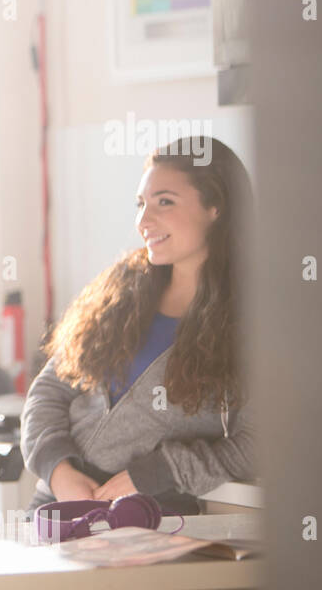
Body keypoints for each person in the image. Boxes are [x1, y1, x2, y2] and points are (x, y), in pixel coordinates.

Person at [22, 137, 255, 518]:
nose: (143, 221)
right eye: (141, 204)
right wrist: (59, 471)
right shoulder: (120, 291)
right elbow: (48, 391)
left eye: (164, 202)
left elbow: (256, 445)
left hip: (155, 520)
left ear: (216, 207)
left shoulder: (249, 322)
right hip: (56, 507)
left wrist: (159, 472)